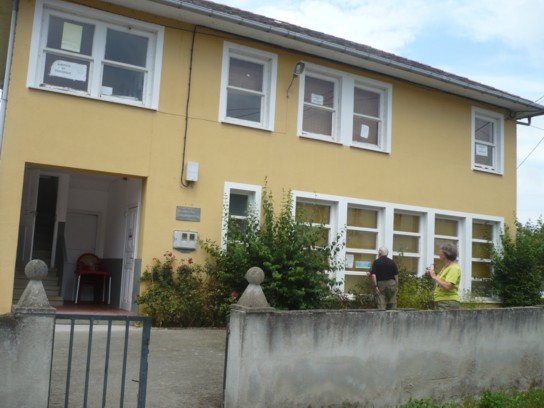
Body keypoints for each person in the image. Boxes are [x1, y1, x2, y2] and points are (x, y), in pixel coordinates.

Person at [426, 242, 461, 310]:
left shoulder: (454, 268)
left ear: (446, 253)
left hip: (447, 302)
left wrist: (434, 277)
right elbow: (440, 282)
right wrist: (431, 274)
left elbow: (448, 286)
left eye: (440, 251)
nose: (438, 254)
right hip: (443, 301)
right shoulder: (446, 267)